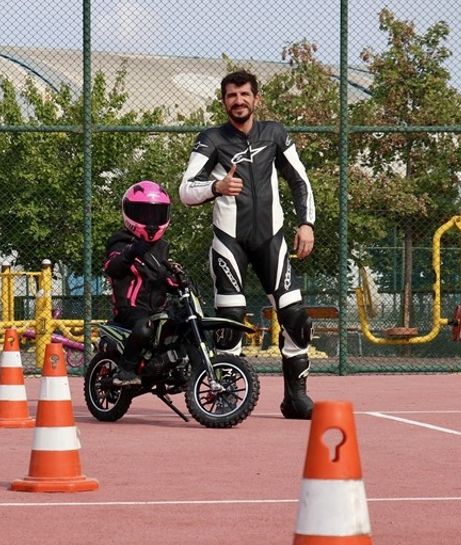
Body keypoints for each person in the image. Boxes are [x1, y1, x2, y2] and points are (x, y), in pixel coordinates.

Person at [178, 69, 319, 419]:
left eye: (244, 95)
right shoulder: (211, 139)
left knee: (296, 318)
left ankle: (296, 398)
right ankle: (227, 395)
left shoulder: (275, 134)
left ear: (256, 98)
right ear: (223, 101)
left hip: (272, 240)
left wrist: (306, 224)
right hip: (230, 241)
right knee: (231, 319)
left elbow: (299, 181)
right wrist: (216, 188)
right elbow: (184, 190)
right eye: (231, 96)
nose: (238, 101)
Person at [102, 180, 177, 387]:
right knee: (145, 327)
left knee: (184, 320)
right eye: (144, 214)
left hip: (157, 308)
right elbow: (112, 266)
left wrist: (178, 280)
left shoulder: (162, 246)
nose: (151, 220)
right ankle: (125, 370)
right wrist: (131, 252)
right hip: (130, 309)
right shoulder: (121, 240)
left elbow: (162, 274)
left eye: (156, 214)